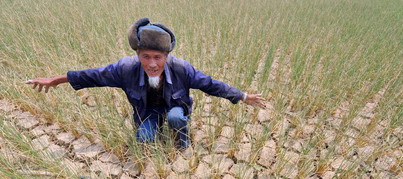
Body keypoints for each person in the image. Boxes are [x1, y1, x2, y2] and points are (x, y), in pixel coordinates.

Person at [26, 17, 265, 150]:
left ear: (166, 57)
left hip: (174, 107)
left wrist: (243, 96)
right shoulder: (125, 69)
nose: (152, 64)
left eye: (158, 57)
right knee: (144, 139)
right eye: (146, 57)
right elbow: (92, 75)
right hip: (147, 111)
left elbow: (212, 84)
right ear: (138, 55)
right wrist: (56, 80)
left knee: (175, 118)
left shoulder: (182, 69)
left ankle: (182, 140)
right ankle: (154, 128)